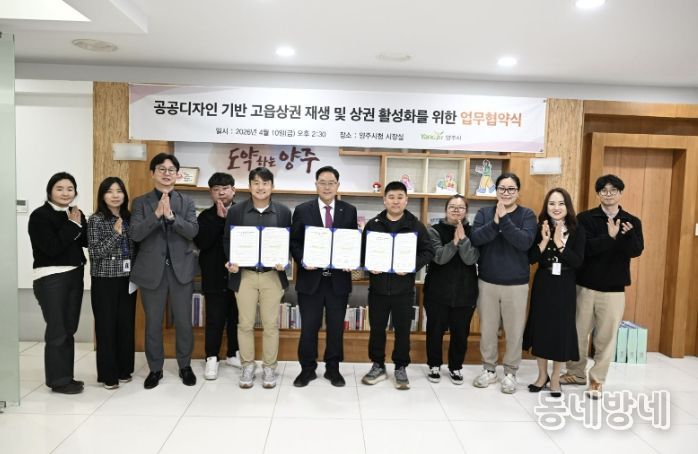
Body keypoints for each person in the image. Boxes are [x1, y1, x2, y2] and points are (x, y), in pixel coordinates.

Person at [561, 174, 644, 399]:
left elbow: (636, 251)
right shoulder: (585, 218)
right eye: (604, 191)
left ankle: (597, 380)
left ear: (620, 193)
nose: (608, 194)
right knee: (578, 333)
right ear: (598, 194)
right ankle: (575, 373)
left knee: (606, 338)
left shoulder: (631, 221)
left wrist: (626, 236)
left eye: (613, 190)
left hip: (614, 289)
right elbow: (585, 249)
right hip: (585, 286)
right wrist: (610, 237)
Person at [130, 153, 199, 389]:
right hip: (152, 272)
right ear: (153, 173)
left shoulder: (187, 202)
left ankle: (185, 366)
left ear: (177, 174)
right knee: (153, 323)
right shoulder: (140, 202)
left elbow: (192, 231)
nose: (167, 173)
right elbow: (135, 234)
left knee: (184, 322)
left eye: (171, 170)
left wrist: (171, 217)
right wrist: (156, 215)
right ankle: (155, 369)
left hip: (181, 271)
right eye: (162, 169)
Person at [360, 181, 434, 390]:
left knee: (403, 331)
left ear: (406, 200)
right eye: (391, 197)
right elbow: (362, 252)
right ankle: (378, 365)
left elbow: (428, 251)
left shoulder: (415, 225)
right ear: (384, 200)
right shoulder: (373, 224)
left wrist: (411, 266)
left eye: (400, 197)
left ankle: (400, 366)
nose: (395, 201)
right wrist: (369, 265)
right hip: (378, 289)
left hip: (404, 290)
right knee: (377, 329)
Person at [290, 166, 358, 387]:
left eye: (331, 183)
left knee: (336, 328)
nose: (327, 187)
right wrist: (303, 259)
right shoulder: (302, 210)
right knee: (309, 327)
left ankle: (333, 369)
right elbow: (294, 242)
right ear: (316, 185)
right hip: (311, 280)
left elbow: (351, 241)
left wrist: (350, 259)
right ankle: (307, 369)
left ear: (338, 185)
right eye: (322, 182)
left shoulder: (349, 210)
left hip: (338, 280)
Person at [224, 167, 292, 389]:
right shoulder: (237, 211)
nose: (260, 187)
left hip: (272, 276)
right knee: (245, 324)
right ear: (249, 186)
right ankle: (247, 365)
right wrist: (232, 260)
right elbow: (227, 240)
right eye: (256, 183)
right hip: (245, 275)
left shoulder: (283, 212)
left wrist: (284, 259)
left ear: (272, 186)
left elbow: (287, 241)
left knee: (271, 324)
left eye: (265, 183)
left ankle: (269, 367)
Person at [470, 172, 537, 394]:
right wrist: (495, 222)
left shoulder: (527, 215)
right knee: (488, 330)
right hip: (487, 281)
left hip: (516, 284)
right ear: (495, 190)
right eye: (502, 189)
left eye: (511, 189)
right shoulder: (484, 213)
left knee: (514, 331)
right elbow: (476, 238)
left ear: (518, 192)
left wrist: (504, 220)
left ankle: (510, 372)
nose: (506, 193)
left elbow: (524, 242)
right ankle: (489, 369)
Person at [28, 172, 88, 394]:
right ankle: (58, 381)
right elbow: (51, 248)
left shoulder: (75, 213)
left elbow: (86, 241)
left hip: (75, 274)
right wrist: (72, 226)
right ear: (50, 191)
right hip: (51, 277)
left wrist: (80, 224)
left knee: (69, 328)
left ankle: (65, 377)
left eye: (70, 189)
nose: (65, 193)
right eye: (60, 188)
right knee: (58, 329)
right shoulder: (40, 216)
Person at [523, 188, 585, 397]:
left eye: (560, 203)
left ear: (567, 206)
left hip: (565, 283)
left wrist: (559, 245)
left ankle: (556, 377)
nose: (556, 208)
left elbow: (578, 261)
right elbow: (530, 258)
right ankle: (542, 376)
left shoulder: (577, 229)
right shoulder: (540, 227)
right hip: (544, 281)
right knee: (541, 329)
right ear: (546, 206)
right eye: (551, 203)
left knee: (561, 331)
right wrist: (543, 242)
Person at [87, 177, 137, 390]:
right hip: (104, 280)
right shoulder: (96, 220)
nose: (115, 195)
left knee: (126, 325)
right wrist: (116, 235)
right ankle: (108, 375)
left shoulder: (130, 217)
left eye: (119, 191)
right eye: (110, 191)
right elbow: (95, 252)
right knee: (106, 327)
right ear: (102, 195)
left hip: (127, 279)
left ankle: (124, 369)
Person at [423, 195, 479, 385]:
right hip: (437, 291)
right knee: (435, 330)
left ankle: (456, 367)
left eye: (461, 207)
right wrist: (454, 242)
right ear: (446, 209)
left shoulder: (474, 232)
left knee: (461, 333)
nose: (456, 210)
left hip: (465, 291)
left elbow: (471, 259)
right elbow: (439, 257)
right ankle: (434, 365)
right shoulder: (434, 230)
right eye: (452, 207)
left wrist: (463, 240)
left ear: (466, 211)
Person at [194, 172, 241, 381]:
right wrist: (220, 221)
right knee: (214, 319)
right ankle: (211, 357)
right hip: (213, 275)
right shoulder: (205, 216)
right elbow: (202, 243)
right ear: (211, 193)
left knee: (236, 318)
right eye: (216, 189)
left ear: (233, 190)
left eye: (225, 188)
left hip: (240, 276)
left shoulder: (243, 213)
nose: (221, 192)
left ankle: (233, 353)